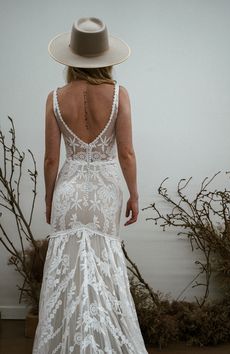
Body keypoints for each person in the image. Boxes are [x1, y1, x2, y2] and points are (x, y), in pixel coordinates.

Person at [32, 17, 148, 353]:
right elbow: (125, 152)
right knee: (104, 265)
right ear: (105, 58)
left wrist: (51, 198)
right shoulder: (118, 94)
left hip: (69, 190)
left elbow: (51, 159)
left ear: (71, 58)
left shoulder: (55, 97)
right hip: (105, 191)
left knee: (67, 269)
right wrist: (135, 194)